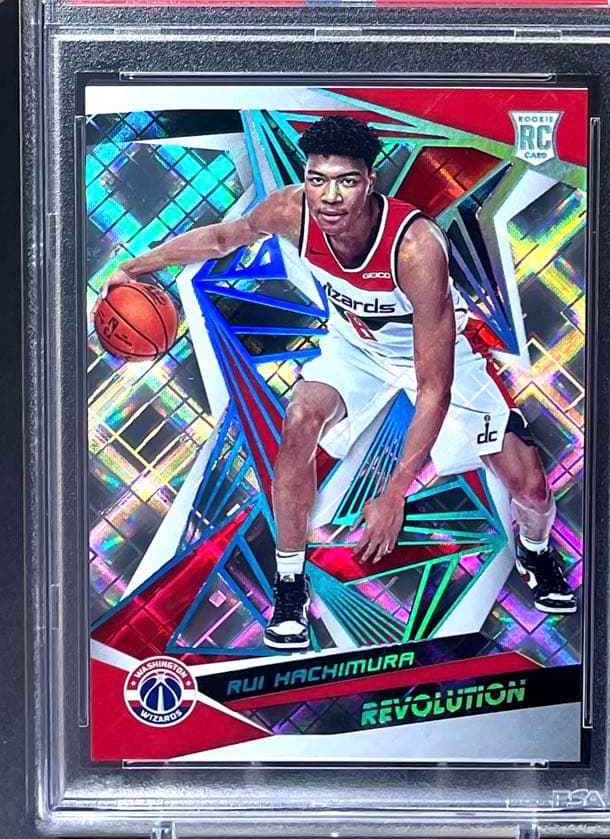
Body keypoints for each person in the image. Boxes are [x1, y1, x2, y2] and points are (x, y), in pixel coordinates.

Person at [100, 114, 576, 649]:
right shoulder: (291, 211)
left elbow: (433, 389)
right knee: (299, 420)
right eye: (317, 179)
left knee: (530, 488)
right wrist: (137, 267)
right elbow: (219, 239)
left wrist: (394, 492)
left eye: (346, 181)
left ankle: (535, 550)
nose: (329, 196)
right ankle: (289, 584)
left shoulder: (416, 248)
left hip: (440, 357)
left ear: (370, 182)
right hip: (356, 349)